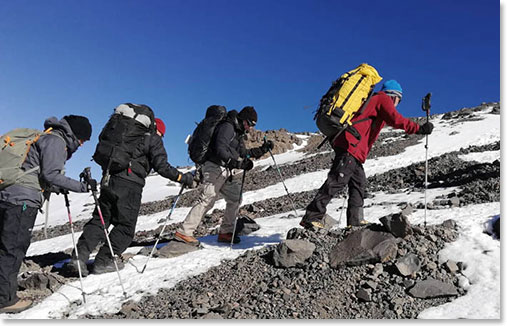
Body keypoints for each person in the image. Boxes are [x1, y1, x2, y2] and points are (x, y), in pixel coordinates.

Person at [69, 115, 195, 275]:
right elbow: (161, 166)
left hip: (109, 180)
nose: (161, 137)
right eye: (161, 135)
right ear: (158, 130)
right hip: (130, 185)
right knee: (126, 227)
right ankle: (103, 261)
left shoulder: (125, 135)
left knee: (100, 220)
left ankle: (78, 258)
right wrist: (182, 177)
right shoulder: (152, 138)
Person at [300, 80, 434, 229]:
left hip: (354, 148)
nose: (397, 103)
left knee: (358, 183)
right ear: (395, 96)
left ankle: (355, 221)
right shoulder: (382, 98)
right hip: (351, 145)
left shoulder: (376, 101)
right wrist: (418, 129)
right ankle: (312, 216)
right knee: (338, 180)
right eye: (399, 100)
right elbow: (396, 119)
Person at [0, 115, 94, 314]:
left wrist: (58, 188)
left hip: (9, 194)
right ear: (75, 134)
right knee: (13, 248)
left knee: (5, 245)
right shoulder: (56, 142)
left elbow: (41, 174)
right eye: (83, 139)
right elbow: (50, 175)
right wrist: (82, 187)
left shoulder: (45, 137)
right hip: (22, 200)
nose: (82, 144)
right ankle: (5, 300)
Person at [174, 106, 274, 245]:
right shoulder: (227, 127)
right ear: (243, 119)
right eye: (250, 124)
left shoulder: (238, 133)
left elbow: (243, 153)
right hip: (214, 166)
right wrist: (236, 164)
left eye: (253, 125)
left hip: (225, 170)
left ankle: (226, 232)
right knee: (207, 198)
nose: (251, 128)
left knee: (235, 197)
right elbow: (220, 148)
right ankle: (184, 232)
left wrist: (262, 150)